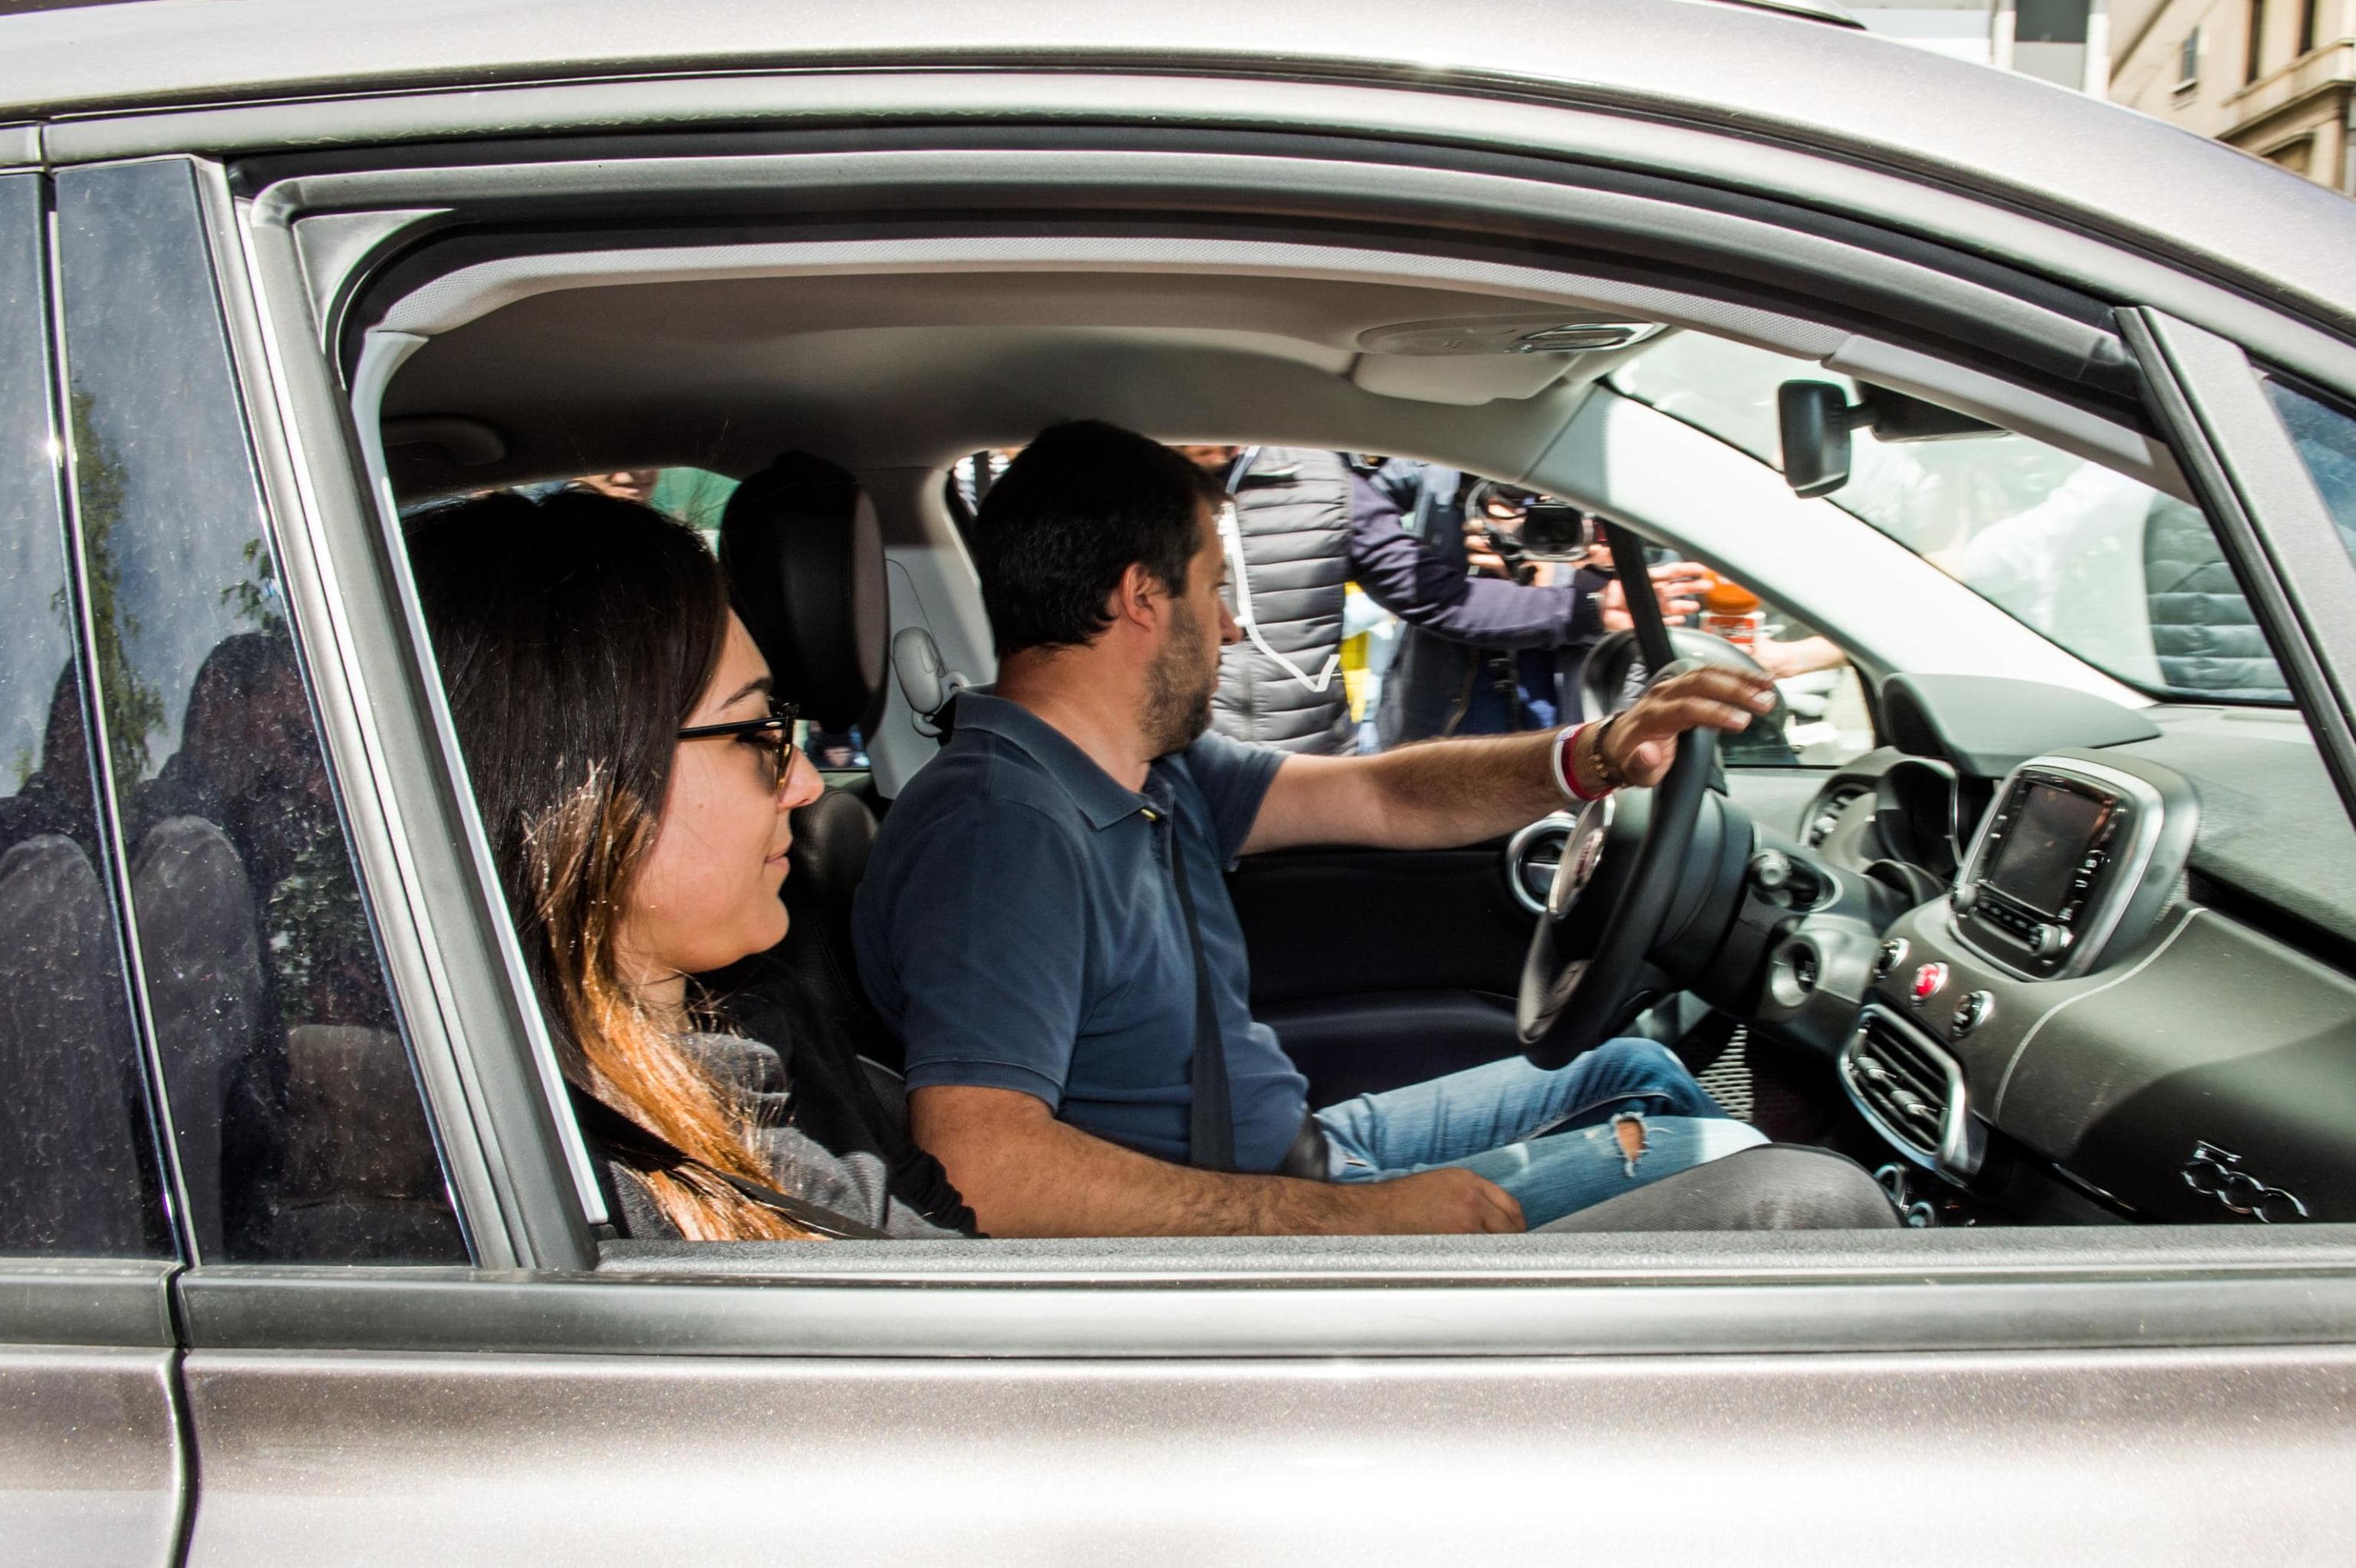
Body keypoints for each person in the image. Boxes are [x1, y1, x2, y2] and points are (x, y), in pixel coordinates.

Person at [854, 420, 1774, 1239]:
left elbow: (1385, 795)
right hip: (1253, 1232)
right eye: (1213, 590)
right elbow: (984, 1170)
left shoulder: (1150, 767)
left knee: (1633, 1069)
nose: (1230, 629)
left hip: (1300, 1152)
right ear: (1141, 596)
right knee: (1761, 1180)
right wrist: (1356, 1221)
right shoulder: (998, 834)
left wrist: (1593, 754)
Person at [406, 488, 972, 1241]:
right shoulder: (587, 1182)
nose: (806, 783)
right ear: (578, 780)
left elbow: (945, 1228)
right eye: (753, 733)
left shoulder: (768, 1010)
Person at [1173, 445, 1357, 755]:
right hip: (1188, 755)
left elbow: (1416, 582)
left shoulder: (1322, 476)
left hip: (1314, 751)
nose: (1231, 630)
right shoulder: (1122, 494)